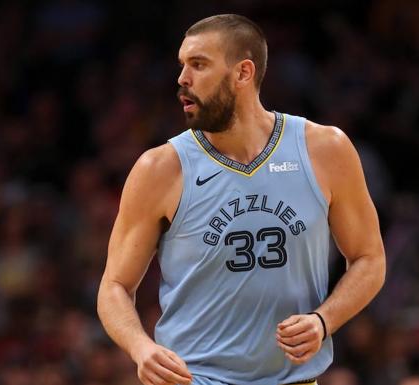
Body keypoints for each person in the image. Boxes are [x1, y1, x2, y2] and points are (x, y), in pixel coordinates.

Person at [97, 14, 386, 385]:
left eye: (198, 64)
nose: (182, 79)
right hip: (193, 379)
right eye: (182, 65)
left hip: (294, 380)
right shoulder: (159, 168)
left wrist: (323, 320)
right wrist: (141, 347)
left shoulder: (325, 149)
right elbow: (114, 286)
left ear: (243, 73)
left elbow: (370, 258)